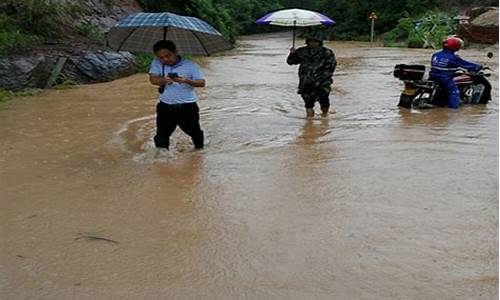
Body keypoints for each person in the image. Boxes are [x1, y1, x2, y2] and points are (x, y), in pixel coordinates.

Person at [148, 40, 206, 150]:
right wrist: (163, 80)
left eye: (168, 56)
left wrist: (186, 80)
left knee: (195, 133)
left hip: (187, 107)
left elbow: (202, 83)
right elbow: (153, 80)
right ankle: (161, 162)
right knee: (161, 137)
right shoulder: (157, 63)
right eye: (161, 57)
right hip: (165, 107)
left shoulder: (190, 65)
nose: (165, 59)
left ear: (176, 52)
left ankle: (199, 154)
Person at [286, 32, 337, 118]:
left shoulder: (327, 52)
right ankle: (309, 120)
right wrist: (292, 53)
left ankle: (325, 116)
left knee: (324, 101)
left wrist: (321, 80)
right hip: (306, 81)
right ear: (308, 42)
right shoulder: (302, 51)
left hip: (322, 82)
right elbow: (291, 62)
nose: (313, 43)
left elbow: (330, 67)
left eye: (315, 41)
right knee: (308, 103)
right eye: (311, 41)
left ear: (320, 42)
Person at [428, 36, 483, 109]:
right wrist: (478, 67)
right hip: (444, 78)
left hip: (432, 76)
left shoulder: (436, 54)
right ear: (456, 47)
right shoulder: (453, 57)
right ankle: (453, 110)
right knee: (454, 91)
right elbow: (466, 64)